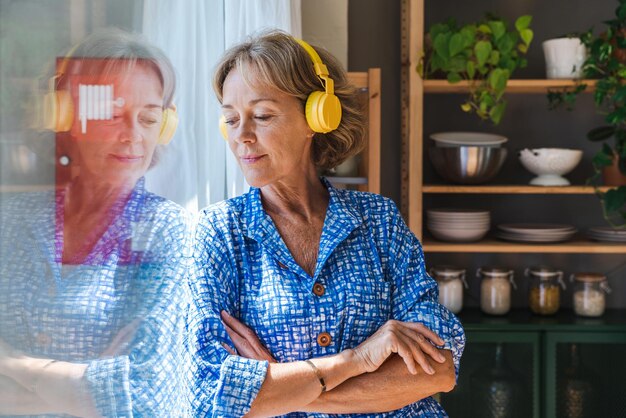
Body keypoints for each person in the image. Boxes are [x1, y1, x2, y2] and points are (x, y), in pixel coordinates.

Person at [189, 30, 465, 417]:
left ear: (317, 117)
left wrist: (279, 385)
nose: (242, 136)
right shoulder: (220, 233)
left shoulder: (379, 221)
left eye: (263, 115)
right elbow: (210, 394)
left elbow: (437, 369)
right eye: (231, 119)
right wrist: (355, 361)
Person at [0, 29, 191, 417]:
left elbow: (140, 398)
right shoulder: (9, 220)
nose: (133, 135)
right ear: (66, 116)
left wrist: (13, 365)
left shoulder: (170, 231)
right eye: (111, 114)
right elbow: (107, 394)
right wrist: (82, 382)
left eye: (149, 117)